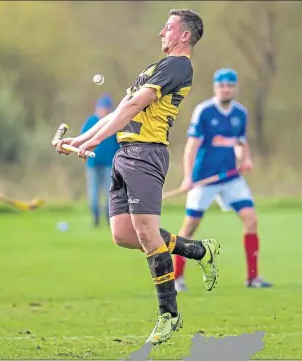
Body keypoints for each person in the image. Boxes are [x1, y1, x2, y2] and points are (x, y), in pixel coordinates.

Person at [54, 9, 217, 346]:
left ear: (185, 36)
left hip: (146, 153)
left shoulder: (178, 66)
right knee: (124, 235)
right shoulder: (155, 67)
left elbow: (132, 107)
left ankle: (169, 314)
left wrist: (95, 141)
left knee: (145, 232)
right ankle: (199, 250)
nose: (162, 32)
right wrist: (82, 140)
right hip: (124, 154)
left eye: (169, 27)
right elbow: (120, 110)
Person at [172, 68, 273, 292]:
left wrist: (245, 159)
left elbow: (239, 142)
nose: (225, 89)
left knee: (251, 220)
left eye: (229, 85)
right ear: (215, 87)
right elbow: (192, 146)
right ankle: (176, 277)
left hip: (230, 178)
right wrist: (188, 177)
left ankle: (253, 278)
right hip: (203, 178)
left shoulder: (241, 113)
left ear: (235, 88)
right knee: (190, 227)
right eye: (221, 85)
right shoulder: (204, 112)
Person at [80, 94, 120, 227]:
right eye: (102, 108)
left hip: (109, 163)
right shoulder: (91, 121)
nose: (103, 111)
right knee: (94, 192)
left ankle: (109, 219)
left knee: (110, 192)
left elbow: (118, 143)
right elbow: (83, 138)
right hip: (92, 164)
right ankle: (95, 218)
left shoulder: (113, 123)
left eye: (106, 108)